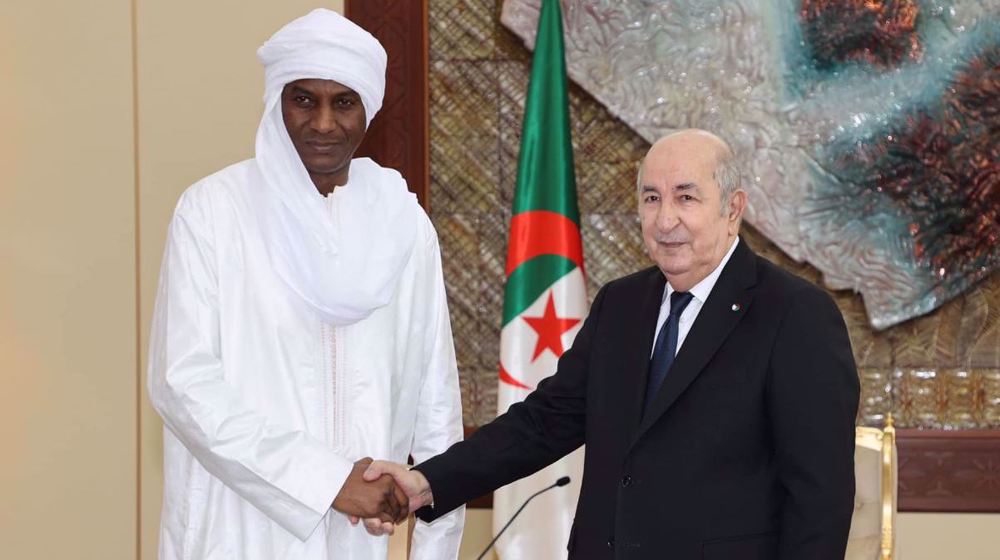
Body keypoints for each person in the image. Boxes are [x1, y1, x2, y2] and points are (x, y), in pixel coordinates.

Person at [363, 129, 860, 559]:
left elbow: (820, 502)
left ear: (733, 209)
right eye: (651, 198)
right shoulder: (622, 304)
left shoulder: (795, 315)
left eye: (686, 198)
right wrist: (427, 481)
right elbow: (544, 422)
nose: (665, 220)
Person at [147, 9, 464, 560]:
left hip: (361, 539)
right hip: (237, 525)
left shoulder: (402, 222)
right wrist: (327, 481)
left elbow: (436, 402)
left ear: (369, 109)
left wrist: (434, 549)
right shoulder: (215, 211)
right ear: (275, 104)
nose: (323, 123)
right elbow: (183, 382)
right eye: (303, 99)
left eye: (343, 102)